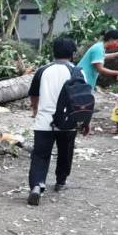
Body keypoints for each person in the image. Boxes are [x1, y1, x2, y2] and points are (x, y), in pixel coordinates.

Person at [26, 37, 81, 206]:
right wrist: (84, 122)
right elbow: (82, 98)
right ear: (72, 53)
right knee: (65, 152)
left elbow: (34, 94)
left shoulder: (43, 70)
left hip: (44, 122)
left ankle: (37, 185)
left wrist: (35, 110)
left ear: (53, 52)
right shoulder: (76, 71)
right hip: (68, 122)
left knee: (40, 155)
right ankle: (60, 181)